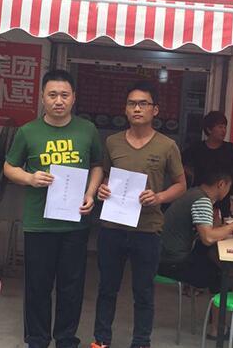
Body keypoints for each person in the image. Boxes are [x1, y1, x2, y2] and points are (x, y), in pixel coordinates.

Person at [4, 69, 104, 348]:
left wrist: (90, 193)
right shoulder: (28, 131)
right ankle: (37, 340)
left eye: (64, 95)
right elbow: (9, 167)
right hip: (39, 224)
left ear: (73, 98)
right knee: (38, 286)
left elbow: (97, 165)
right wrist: (30, 178)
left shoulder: (87, 130)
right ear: (42, 98)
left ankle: (66, 339)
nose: (58, 101)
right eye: (52, 95)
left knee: (71, 287)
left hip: (75, 224)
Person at [92, 81, 187, 348]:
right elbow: (105, 175)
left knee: (143, 291)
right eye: (132, 104)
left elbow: (181, 185)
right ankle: (101, 340)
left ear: (155, 110)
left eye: (143, 104)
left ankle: (141, 341)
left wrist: (159, 197)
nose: (137, 109)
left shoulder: (167, 145)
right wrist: (102, 189)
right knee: (107, 288)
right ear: (125, 109)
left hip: (147, 230)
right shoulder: (112, 142)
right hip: (112, 227)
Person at [159, 166, 233, 339]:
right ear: (221, 184)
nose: (228, 192)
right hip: (171, 261)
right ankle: (217, 329)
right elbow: (208, 237)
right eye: (228, 187)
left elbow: (207, 233)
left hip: (165, 254)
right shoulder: (202, 201)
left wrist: (219, 225)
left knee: (215, 259)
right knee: (221, 276)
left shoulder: (193, 193)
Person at [182, 111, 233, 218]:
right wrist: (189, 175)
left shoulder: (230, 149)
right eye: (220, 127)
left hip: (223, 199)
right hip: (200, 198)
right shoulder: (197, 148)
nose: (223, 130)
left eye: (225, 127)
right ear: (209, 129)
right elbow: (179, 163)